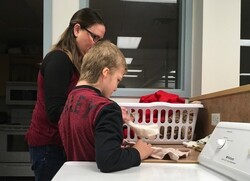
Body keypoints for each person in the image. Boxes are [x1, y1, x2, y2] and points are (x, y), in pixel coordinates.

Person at [25, 8, 106, 181]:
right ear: (77, 30)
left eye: (99, 40)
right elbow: (55, 112)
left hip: (59, 144)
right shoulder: (59, 60)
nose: (95, 44)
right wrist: (94, 117)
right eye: (94, 36)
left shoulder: (75, 62)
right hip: (48, 145)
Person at [58, 40, 153, 173]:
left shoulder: (71, 98)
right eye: (118, 80)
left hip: (74, 175)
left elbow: (86, 131)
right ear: (106, 72)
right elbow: (109, 161)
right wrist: (138, 152)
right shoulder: (107, 108)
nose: (116, 88)